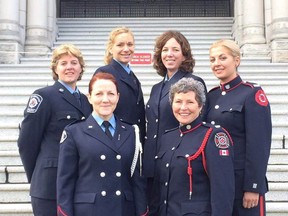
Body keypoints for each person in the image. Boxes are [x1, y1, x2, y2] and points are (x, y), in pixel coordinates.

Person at [57, 72, 148, 216]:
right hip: (89, 211)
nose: (105, 99)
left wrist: (142, 212)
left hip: (123, 209)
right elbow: (65, 181)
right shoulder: (74, 132)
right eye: (99, 94)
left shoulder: (131, 131)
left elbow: (136, 180)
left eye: (111, 94)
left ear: (117, 97)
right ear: (90, 97)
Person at [17, 44, 92, 216]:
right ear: (55, 68)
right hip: (48, 186)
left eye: (74, 62)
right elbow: (27, 142)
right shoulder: (44, 96)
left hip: (79, 184)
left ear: (81, 68)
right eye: (63, 63)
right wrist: (38, 175)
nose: (69, 67)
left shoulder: (86, 101)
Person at [204, 39, 272, 215]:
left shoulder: (251, 93)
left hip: (243, 182)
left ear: (236, 60)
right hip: (218, 181)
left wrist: (253, 186)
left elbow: (259, 145)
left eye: (222, 58)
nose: (216, 64)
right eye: (212, 60)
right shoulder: (211, 97)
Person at [142, 30, 207, 212]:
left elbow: (198, 126)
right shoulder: (156, 88)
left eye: (175, 50)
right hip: (153, 164)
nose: (169, 54)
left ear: (184, 54)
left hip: (177, 162)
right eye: (165, 49)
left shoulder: (193, 82)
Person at [153, 77, 234, 215]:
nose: (183, 108)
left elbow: (222, 190)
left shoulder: (213, 136)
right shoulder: (167, 137)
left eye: (190, 102)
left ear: (200, 106)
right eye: (178, 102)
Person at [93, 26, 146, 144]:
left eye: (130, 44)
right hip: (114, 141)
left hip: (132, 140)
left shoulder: (133, 77)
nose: (126, 49)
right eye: (120, 45)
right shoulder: (104, 73)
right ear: (111, 49)